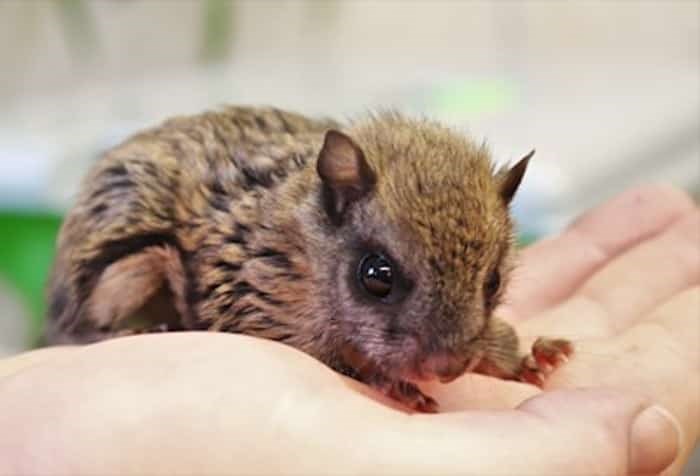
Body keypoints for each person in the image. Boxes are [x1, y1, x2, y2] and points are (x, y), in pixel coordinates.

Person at [0, 184, 697, 475]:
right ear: (335, 205)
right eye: (380, 283)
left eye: (488, 289)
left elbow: (456, 321)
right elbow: (230, 305)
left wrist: (507, 352)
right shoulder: (281, 261)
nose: (446, 361)